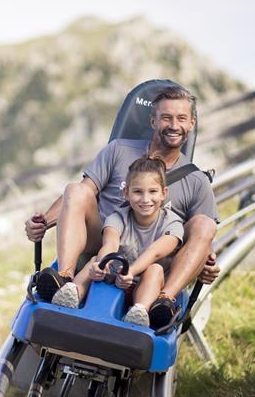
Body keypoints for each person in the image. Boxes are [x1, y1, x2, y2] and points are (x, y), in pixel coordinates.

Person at [25, 84, 220, 327]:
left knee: (205, 223)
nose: (173, 125)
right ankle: (64, 279)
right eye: (166, 118)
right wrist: (43, 223)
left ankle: (163, 302)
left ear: (191, 124)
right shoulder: (118, 150)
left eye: (181, 118)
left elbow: (204, 238)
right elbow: (81, 193)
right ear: (153, 121)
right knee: (75, 190)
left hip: (154, 264)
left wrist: (205, 264)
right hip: (104, 242)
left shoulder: (197, 181)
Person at [51, 156, 184, 327]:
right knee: (94, 261)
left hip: (143, 286)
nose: (145, 199)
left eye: (152, 192)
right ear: (126, 193)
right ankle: (72, 293)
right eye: (138, 192)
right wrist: (102, 264)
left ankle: (140, 311)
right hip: (114, 279)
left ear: (163, 194)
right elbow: (110, 243)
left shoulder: (173, 224)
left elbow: (155, 252)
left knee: (155, 269)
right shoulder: (117, 218)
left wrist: (132, 272)